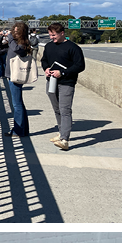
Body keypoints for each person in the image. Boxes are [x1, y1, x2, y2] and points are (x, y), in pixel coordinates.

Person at [40, 22, 87, 151]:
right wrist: (46, 68)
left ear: (62, 33)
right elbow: (44, 60)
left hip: (67, 82)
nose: (51, 38)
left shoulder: (73, 48)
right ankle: (61, 133)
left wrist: (63, 72)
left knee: (65, 109)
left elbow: (80, 66)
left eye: (54, 35)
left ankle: (65, 139)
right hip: (51, 81)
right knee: (57, 109)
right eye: (50, 35)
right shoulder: (49, 47)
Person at [5, 23, 37, 136]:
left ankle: (18, 130)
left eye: (17, 31)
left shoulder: (22, 43)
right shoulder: (15, 42)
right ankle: (23, 130)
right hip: (11, 74)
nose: (14, 33)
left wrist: (10, 38)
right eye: (14, 31)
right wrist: (0, 37)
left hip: (16, 76)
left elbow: (15, 48)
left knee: (17, 104)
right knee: (19, 104)